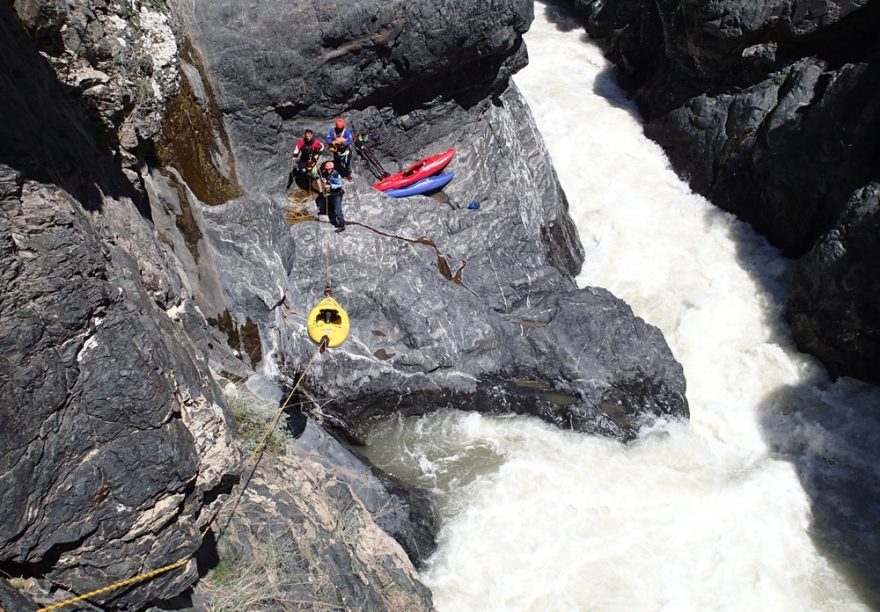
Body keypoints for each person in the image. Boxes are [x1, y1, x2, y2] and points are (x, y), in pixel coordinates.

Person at [317, 160, 345, 232]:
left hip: (337, 194)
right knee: (331, 208)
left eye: (328, 169)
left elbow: (339, 185)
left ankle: (341, 225)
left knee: (337, 210)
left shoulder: (336, 175)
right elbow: (323, 175)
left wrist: (330, 185)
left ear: (332, 169)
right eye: (326, 169)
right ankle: (334, 222)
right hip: (331, 193)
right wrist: (324, 180)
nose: (327, 170)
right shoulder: (327, 173)